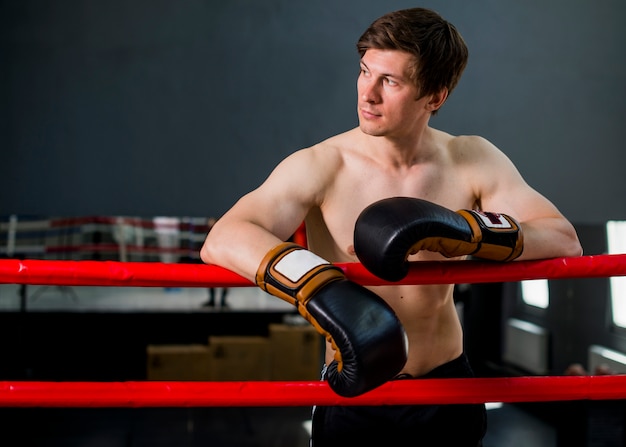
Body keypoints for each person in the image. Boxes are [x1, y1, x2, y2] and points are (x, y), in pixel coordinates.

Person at [201, 7, 582, 446]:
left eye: (391, 82)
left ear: (434, 96)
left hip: (446, 388)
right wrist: (320, 286)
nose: (368, 94)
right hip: (356, 389)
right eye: (365, 72)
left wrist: (467, 230)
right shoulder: (323, 164)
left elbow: (563, 238)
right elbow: (224, 237)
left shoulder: (470, 159)